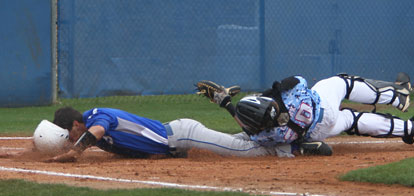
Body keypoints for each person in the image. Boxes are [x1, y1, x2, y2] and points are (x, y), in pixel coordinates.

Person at [29, 106, 329, 162]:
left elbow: (96, 132)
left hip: (181, 134)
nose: (70, 138)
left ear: (76, 125)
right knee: (237, 144)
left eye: (69, 133)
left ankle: (293, 148)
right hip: (175, 140)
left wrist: (73, 152)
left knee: (243, 152)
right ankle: (281, 139)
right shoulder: (93, 131)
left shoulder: (96, 117)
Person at [202, 72, 413, 152]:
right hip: (323, 106)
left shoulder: (269, 134)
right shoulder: (292, 95)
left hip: (318, 132)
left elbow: (249, 129)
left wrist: (227, 104)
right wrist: (272, 91)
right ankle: (396, 97)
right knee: (341, 82)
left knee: (351, 119)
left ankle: (408, 129)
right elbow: (295, 79)